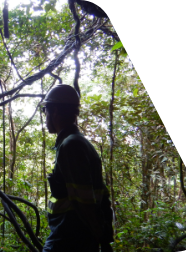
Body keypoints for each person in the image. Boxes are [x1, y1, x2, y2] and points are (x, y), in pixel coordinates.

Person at [40, 84, 114, 252]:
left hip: (70, 236)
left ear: (56, 111)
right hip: (74, 233)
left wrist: (101, 239)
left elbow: (84, 200)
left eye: (46, 111)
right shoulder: (76, 142)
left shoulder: (71, 145)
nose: (45, 117)